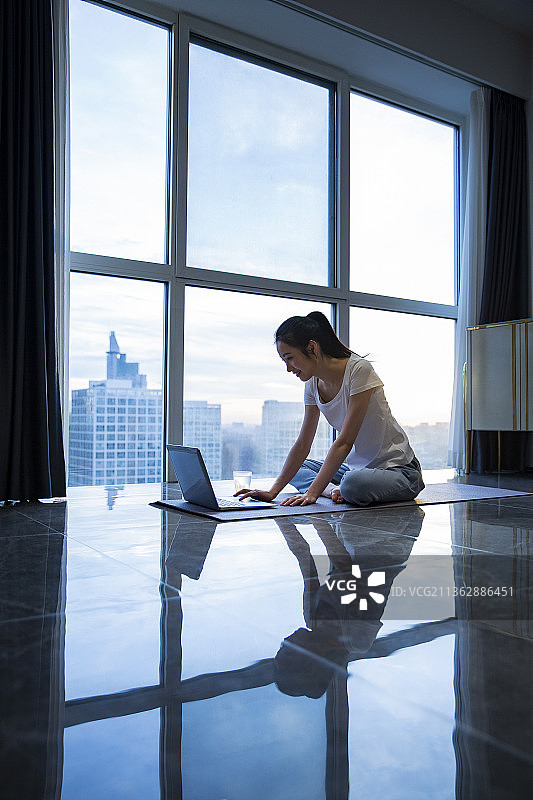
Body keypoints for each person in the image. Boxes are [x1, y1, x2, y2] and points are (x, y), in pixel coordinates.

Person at [235, 311, 425, 507]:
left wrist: (312, 493)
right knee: (299, 469)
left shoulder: (359, 370)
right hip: (355, 470)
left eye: (290, 358)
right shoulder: (312, 383)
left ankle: (339, 489)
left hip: (398, 471)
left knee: (352, 485)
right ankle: (335, 490)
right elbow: (302, 444)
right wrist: (273, 491)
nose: (288, 368)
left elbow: (344, 442)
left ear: (312, 347)